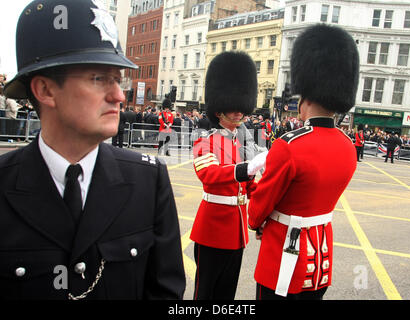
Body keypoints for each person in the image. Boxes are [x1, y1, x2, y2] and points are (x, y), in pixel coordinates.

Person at [0, 0, 185, 300]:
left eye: (117, 79)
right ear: (45, 90)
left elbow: (165, 292)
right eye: (99, 78)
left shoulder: (148, 181)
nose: (117, 95)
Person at [248, 24, 359, 300]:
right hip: (319, 260)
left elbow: (257, 210)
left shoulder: (290, 145)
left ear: (304, 99)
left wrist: (260, 222)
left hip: (284, 258)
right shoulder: (348, 146)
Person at [190, 51, 267, 300]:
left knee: (226, 294)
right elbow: (210, 175)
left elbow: (250, 186)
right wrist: (246, 169)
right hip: (212, 229)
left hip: (237, 230)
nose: (238, 113)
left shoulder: (241, 142)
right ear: (219, 109)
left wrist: (261, 216)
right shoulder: (206, 141)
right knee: (206, 294)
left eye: (240, 108)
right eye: (232, 108)